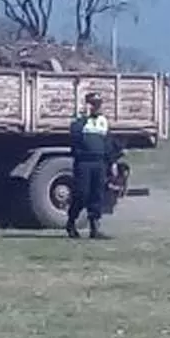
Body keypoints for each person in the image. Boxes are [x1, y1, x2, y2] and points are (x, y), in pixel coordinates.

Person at [66, 91, 116, 240]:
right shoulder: (79, 121)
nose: (96, 107)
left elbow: (108, 144)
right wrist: (85, 117)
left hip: (99, 163)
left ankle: (94, 228)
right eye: (93, 104)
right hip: (84, 162)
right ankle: (71, 222)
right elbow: (74, 135)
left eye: (98, 104)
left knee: (97, 195)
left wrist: (111, 162)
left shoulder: (103, 121)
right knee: (82, 194)